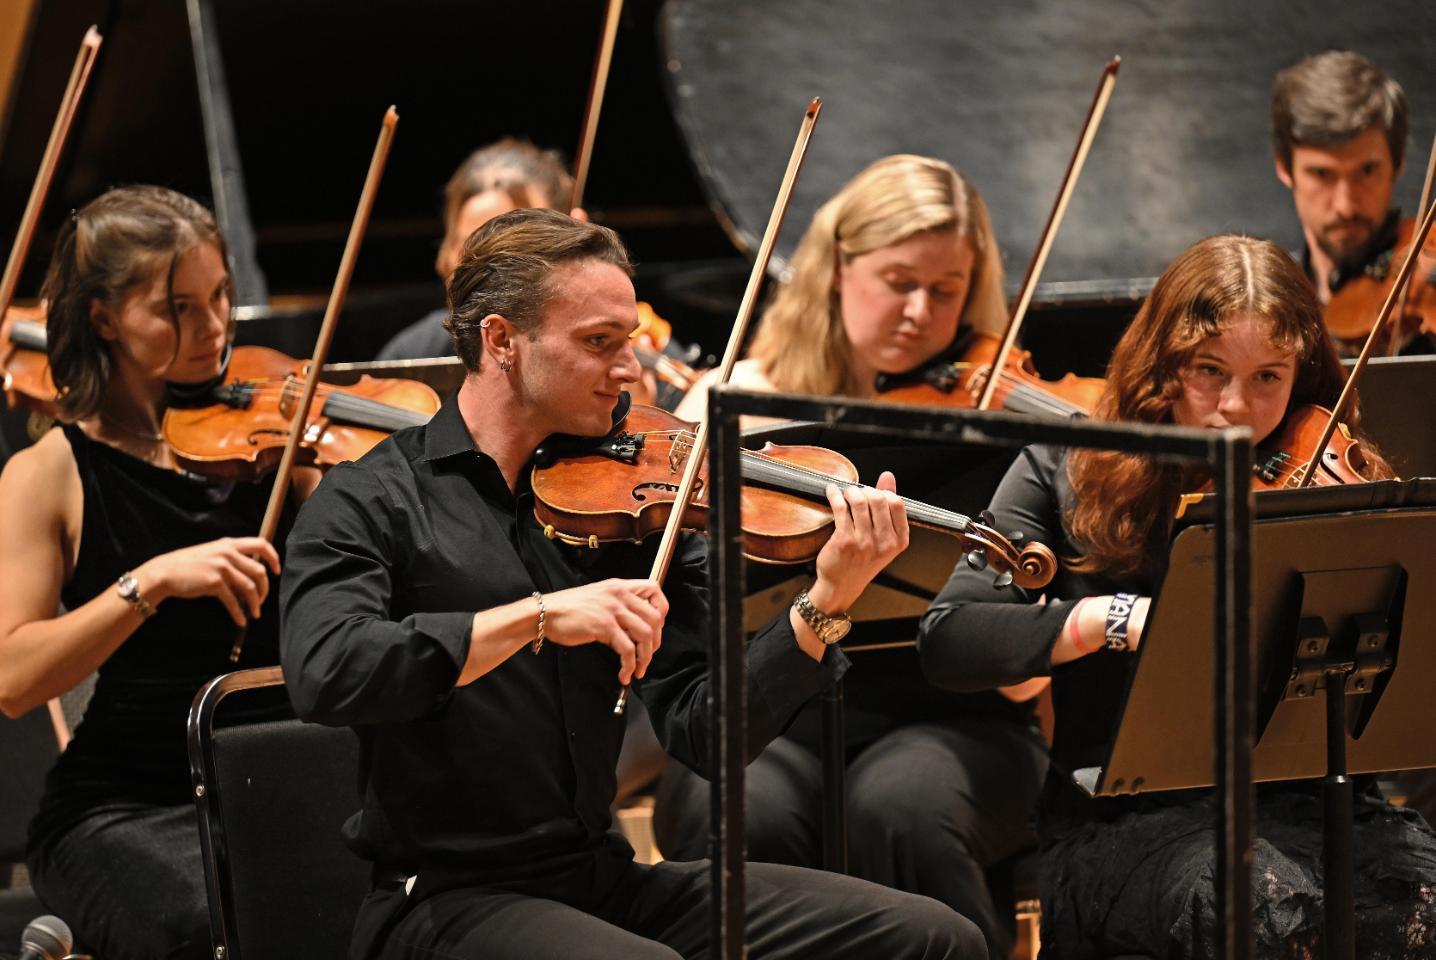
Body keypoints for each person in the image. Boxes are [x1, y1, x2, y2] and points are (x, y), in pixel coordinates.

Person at [279, 207, 985, 960]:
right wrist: (537, 616)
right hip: (441, 903)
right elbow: (328, 672)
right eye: (599, 344)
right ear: (501, 341)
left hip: (599, 882)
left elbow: (708, 733)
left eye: (630, 344)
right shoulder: (372, 499)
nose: (631, 371)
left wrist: (826, 600)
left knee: (933, 938)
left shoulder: (633, 504)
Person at [917, 233, 1436, 958]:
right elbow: (950, 637)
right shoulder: (1065, 465)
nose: (1235, 408)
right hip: (1123, 824)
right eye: (1209, 371)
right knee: (1259, 908)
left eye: (1268, 378)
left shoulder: (1327, 472)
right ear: (1163, 367)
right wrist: (1107, 618)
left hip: (1318, 804)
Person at [659, 154, 1048, 960]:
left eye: (947, 291)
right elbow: (679, 611)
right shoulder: (737, 400)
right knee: (729, 809)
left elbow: (1029, 667)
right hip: (774, 711)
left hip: (958, 719)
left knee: (900, 808)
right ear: (837, 268)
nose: (919, 311)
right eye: (898, 281)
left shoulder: (1002, 411)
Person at [0, 186, 304, 959]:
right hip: (121, 808)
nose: (213, 329)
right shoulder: (51, 474)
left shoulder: (275, 443)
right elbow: (13, 680)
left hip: (275, 783)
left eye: (221, 299)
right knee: (220, 927)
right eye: (177, 309)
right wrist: (153, 581)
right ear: (104, 318)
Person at [1271, 50, 1434, 356]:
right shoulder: (1268, 307)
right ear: (1284, 168)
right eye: (1322, 174)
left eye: (1367, 171)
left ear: (1397, 164)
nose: (1346, 206)